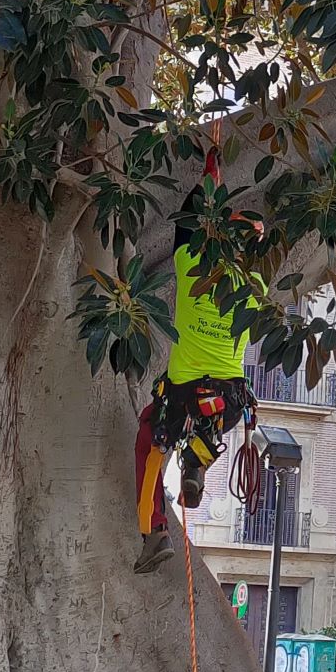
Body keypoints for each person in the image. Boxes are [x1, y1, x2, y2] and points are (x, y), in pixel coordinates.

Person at [132, 224, 259, 574]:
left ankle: (154, 531)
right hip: (230, 402)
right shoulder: (254, 288)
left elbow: (184, 223)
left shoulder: (191, 268)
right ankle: (194, 464)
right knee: (206, 425)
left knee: (149, 438)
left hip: (183, 398)